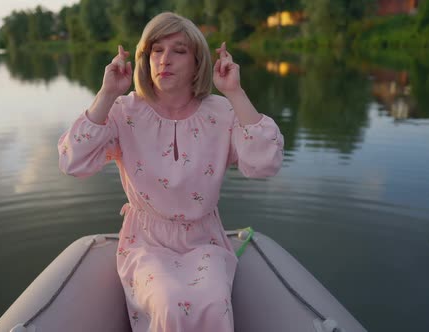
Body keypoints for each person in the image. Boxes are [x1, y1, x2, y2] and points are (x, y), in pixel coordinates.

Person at [58, 12, 284, 332]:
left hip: (205, 240)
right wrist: (107, 93)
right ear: (145, 58)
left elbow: (266, 164)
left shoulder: (221, 112)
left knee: (214, 301)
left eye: (179, 51)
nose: (165, 59)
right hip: (145, 241)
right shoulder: (124, 111)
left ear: (197, 62)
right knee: (168, 300)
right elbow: (72, 161)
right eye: (156, 50)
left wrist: (235, 92)